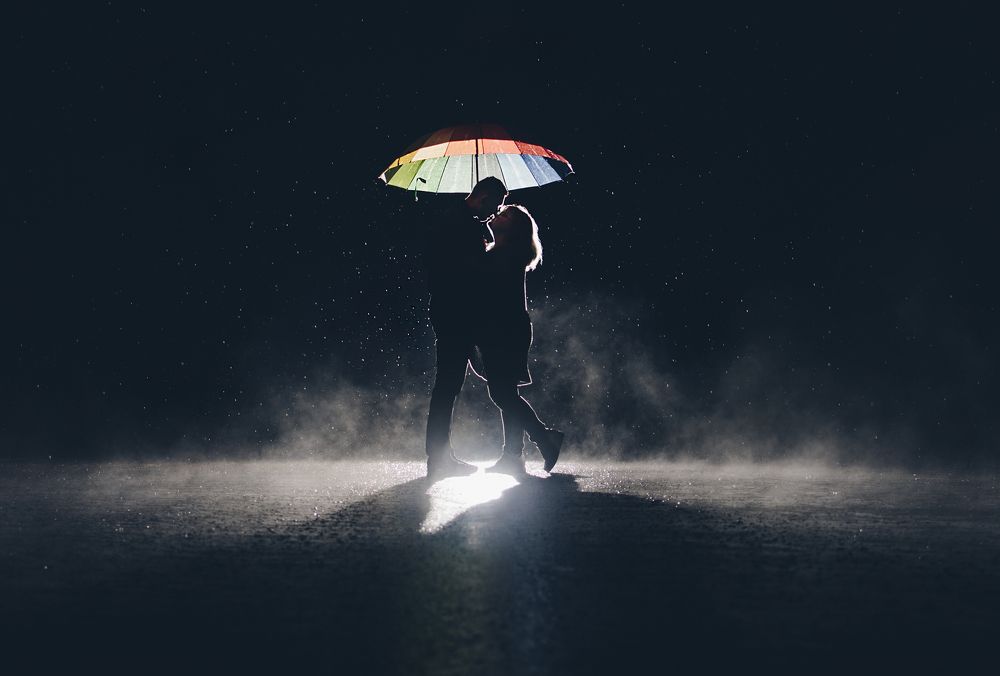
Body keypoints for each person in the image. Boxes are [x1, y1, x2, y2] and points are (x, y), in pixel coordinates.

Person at [423, 176, 508, 479]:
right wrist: (482, 250)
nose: (494, 213)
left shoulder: (456, 220)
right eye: (494, 205)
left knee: (448, 385)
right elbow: (468, 274)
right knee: (448, 385)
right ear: (483, 196)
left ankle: (439, 456)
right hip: (455, 314)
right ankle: (439, 458)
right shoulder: (461, 225)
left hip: (450, 312)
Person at [476, 203, 564, 476]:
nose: (497, 215)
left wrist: (477, 255)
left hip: (505, 329)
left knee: (501, 393)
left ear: (514, 229)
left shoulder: (508, 254)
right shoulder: (501, 253)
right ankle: (513, 455)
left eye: (505, 215)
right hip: (505, 328)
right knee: (507, 393)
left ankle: (543, 438)